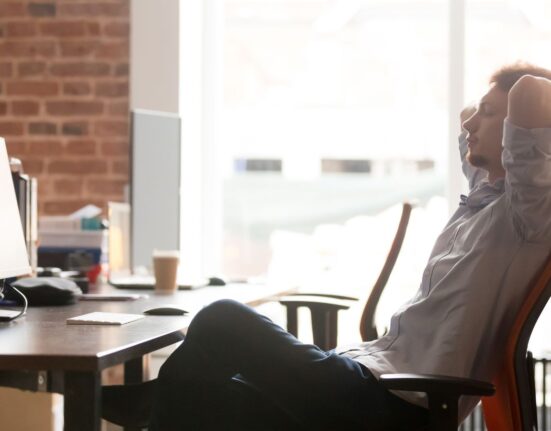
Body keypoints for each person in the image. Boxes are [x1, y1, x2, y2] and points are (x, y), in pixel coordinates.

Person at [103, 63, 551, 430]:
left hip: (397, 408)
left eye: (490, 114)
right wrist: (489, 104)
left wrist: (508, 88)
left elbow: (529, 90)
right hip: (371, 378)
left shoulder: (526, 214)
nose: (471, 121)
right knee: (217, 400)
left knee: (221, 319)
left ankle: (150, 403)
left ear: (521, 133)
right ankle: (155, 404)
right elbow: (469, 122)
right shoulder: (481, 199)